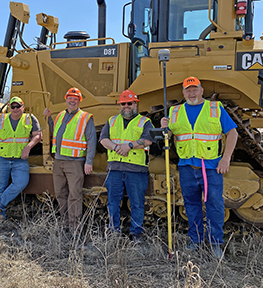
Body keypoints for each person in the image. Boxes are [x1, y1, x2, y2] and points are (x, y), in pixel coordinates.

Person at [161, 76, 238, 259]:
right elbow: (168, 135)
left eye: (195, 89)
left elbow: (232, 133)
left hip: (211, 168)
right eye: (188, 90)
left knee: (215, 206)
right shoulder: (175, 111)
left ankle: (215, 243)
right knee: (191, 206)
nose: (191, 93)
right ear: (183, 92)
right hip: (187, 166)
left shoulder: (215, 108)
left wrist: (226, 159)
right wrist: (165, 128)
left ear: (202, 90)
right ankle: (195, 240)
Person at [100, 90, 153, 241]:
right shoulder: (112, 121)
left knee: (137, 203)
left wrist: (129, 146)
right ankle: (113, 232)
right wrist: (117, 148)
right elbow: (103, 139)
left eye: (130, 103)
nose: (126, 106)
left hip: (136, 169)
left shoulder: (145, 121)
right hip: (115, 169)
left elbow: (148, 140)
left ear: (136, 104)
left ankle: (136, 233)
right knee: (113, 203)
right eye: (123, 104)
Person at [43, 87, 96, 234]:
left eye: (75, 99)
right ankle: (65, 223)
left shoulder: (85, 117)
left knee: (74, 195)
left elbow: (92, 141)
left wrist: (89, 161)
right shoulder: (60, 115)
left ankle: (75, 227)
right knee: (60, 194)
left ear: (79, 101)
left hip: (75, 162)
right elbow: (56, 131)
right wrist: (48, 118)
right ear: (66, 100)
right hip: (58, 161)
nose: (72, 101)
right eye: (70, 98)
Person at [0, 96, 42, 221]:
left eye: (18, 106)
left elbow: (38, 136)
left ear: (23, 107)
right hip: (1, 158)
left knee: (21, 182)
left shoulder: (29, 119)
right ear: (10, 108)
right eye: (13, 107)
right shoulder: (1, 119)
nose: (15, 109)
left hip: (19, 160)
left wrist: (28, 147)